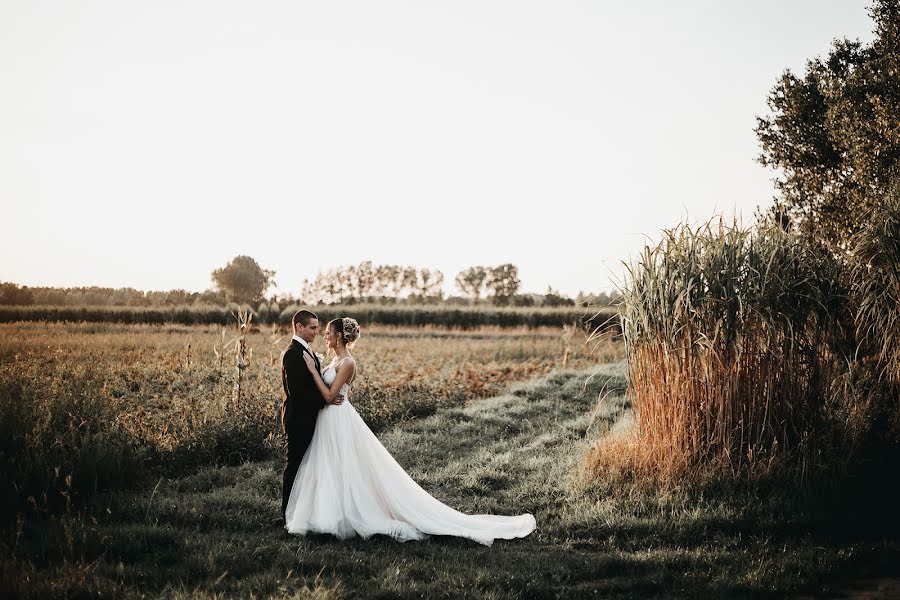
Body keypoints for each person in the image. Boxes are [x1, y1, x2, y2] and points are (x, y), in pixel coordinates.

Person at [284, 316, 536, 546]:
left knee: (347, 467)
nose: (324, 336)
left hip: (338, 418)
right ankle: (328, 514)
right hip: (328, 421)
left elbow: (329, 396)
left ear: (338, 336)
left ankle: (351, 515)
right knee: (330, 467)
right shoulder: (334, 360)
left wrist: (310, 370)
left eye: (327, 332)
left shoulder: (348, 362)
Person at [280, 310, 344, 523]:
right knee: (295, 467)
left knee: (308, 468)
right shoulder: (293, 353)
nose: (317, 332)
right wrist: (325, 400)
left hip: (311, 418)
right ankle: (287, 516)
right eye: (313, 328)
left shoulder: (305, 350)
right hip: (298, 419)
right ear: (299, 326)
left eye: (318, 328)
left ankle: (304, 513)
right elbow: (296, 392)